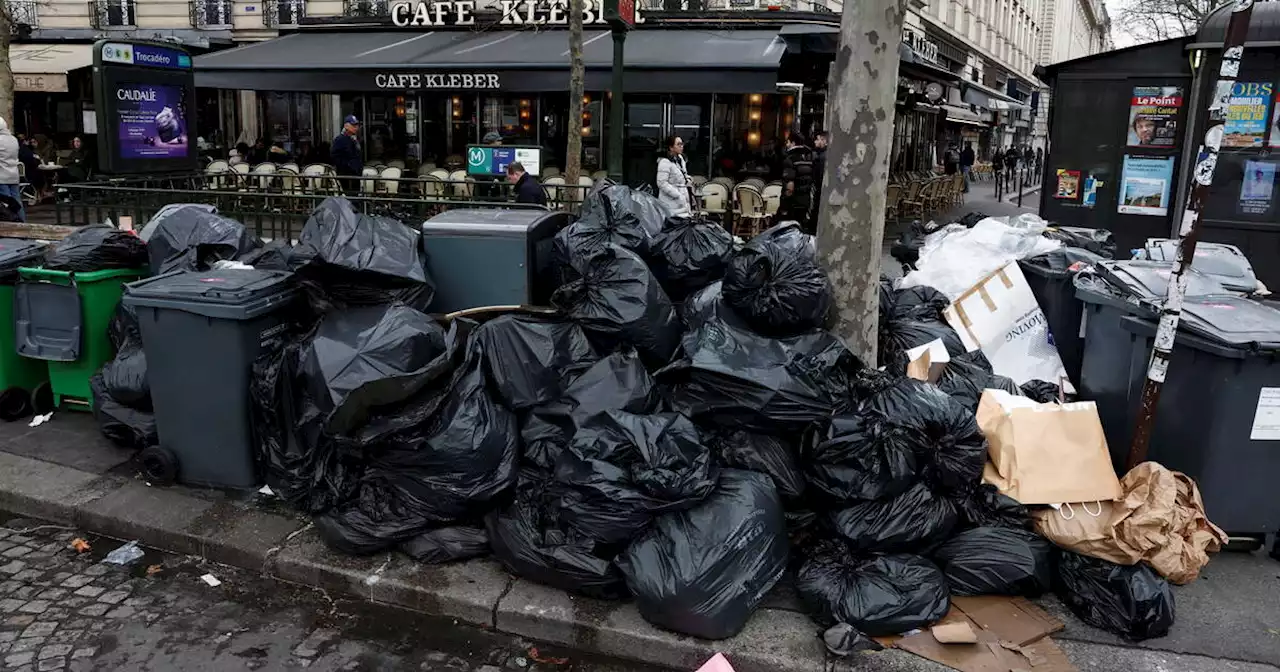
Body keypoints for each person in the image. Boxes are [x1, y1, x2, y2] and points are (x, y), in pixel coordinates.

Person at [781, 131, 816, 232]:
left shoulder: (790, 159)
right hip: (806, 199)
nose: (786, 145)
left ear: (793, 143)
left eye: (787, 142)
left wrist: (784, 203)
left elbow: (789, 185)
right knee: (801, 228)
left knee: (789, 229)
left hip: (793, 201)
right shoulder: (811, 157)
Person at [656, 134, 694, 217]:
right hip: (670, 202)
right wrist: (677, 195)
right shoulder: (665, 162)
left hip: (683, 200)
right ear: (671, 147)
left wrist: (687, 179)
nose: (681, 146)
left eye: (682, 144)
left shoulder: (680, 159)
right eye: (678, 144)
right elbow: (661, 183)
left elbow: (680, 174)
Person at [0, 118, 25, 222]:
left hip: (2, 176)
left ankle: (12, 224)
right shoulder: (13, 139)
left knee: (6, 204)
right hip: (14, 175)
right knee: (17, 202)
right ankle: (23, 224)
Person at [331, 115, 363, 195]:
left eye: (357, 125)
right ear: (346, 126)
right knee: (349, 198)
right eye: (353, 125)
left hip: (356, 176)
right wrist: (348, 166)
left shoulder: (354, 139)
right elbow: (334, 156)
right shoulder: (340, 139)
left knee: (356, 198)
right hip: (346, 176)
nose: (356, 127)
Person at [810, 130, 829, 220]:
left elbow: (820, 176)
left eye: (818, 139)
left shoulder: (822, 157)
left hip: (820, 191)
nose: (815, 142)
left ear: (824, 141)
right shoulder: (824, 155)